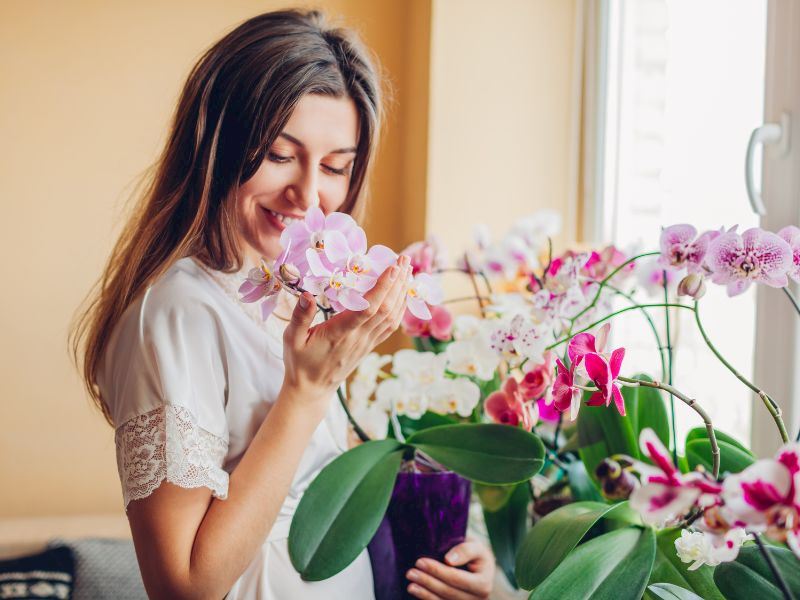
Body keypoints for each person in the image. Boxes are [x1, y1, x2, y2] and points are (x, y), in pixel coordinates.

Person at [72, 9, 495, 600]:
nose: (308, 194)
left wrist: (447, 555)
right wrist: (307, 391)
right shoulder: (175, 313)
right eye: (277, 154)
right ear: (216, 144)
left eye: (335, 167)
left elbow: (318, 488)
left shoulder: (288, 289)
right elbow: (183, 587)